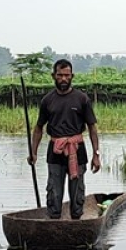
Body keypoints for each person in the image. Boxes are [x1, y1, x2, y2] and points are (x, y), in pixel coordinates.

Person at [28, 59, 101, 220]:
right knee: (54, 193)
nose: (63, 79)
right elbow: (39, 128)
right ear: (53, 76)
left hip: (77, 149)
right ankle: (54, 222)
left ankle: (76, 221)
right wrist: (33, 152)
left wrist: (96, 154)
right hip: (55, 150)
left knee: (77, 194)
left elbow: (92, 128)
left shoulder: (81, 99)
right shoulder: (47, 101)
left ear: (72, 76)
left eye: (66, 75)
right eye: (60, 75)